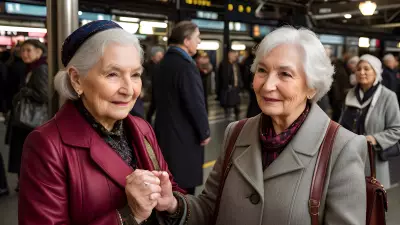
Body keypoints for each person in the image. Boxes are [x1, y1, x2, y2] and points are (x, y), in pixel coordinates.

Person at [136, 26, 368, 224]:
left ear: (312, 87)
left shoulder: (342, 148)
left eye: (285, 74)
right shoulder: (236, 133)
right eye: (262, 70)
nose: (267, 85)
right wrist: (173, 203)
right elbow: (209, 208)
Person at [18, 20, 184, 225]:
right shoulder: (47, 145)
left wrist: (171, 204)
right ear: (77, 80)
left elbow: (172, 190)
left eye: (135, 75)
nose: (129, 90)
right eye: (112, 74)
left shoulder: (142, 128)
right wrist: (128, 215)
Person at [153, 21, 211, 195]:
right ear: (186, 41)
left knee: (168, 185)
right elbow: (195, 103)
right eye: (197, 37)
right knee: (184, 189)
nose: (199, 42)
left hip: (164, 134)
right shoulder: (186, 67)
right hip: (184, 138)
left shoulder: (162, 64)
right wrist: (204, 132)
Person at [339, 54, 400, 189]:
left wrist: (374, 138)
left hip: (374, 161)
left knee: (373, 200)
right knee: (349, 197)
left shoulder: (388, 97)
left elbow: (396, 129)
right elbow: (341, 124)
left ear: (376, 72)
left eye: (367, 69)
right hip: (350, 158)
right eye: (359, 69)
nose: (361, 72)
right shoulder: (349, 95)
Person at [7, 39, 47, 192]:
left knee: (27, 153)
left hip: (30, 121)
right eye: (22, 51)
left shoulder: (40, 69)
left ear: (39, 51)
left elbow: (44, 95)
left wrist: (24, 91)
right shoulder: (30, 68)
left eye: (28, 50)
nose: (24, 54)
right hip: (25, 121)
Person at [218, 50, 242, 120]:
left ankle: (236, 111)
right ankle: (227, 113)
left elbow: (238, 74)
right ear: (229, 55)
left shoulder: (236, 64)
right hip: (228, 86)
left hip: (236, 85)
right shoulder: (224, 64)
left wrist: (240, 83)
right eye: (234, 55)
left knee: (236, 99)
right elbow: (222, 76)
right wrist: (226, 84)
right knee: (227, 99)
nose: (235, 57)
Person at [144, 46, 164, 123]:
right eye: (159, 56)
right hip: (148, 96)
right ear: (152, 57)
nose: (161, 58)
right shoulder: (146, 67)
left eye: (162, 56)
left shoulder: (162, 67)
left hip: (156, 95)